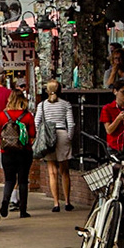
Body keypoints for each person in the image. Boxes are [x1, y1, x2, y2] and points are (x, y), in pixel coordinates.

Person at [35, 80, 77, 212]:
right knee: (64, 171)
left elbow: (37, 122)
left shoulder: (42, 105)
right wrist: (69, 137)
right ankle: (68, 201)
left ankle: (55, 203)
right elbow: (71, 123)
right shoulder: (66, 104)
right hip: (62, 134)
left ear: (47, 91)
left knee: (52, 171)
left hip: (48, 136)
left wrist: (40, 136)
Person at [0, 90, 36, 218]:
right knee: (23, 181)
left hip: (7, 152)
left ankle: (5, 200)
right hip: (24, 152)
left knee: (9, 180)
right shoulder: (27, 116)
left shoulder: (3, 115)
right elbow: (33, 134)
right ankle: (23, 210)